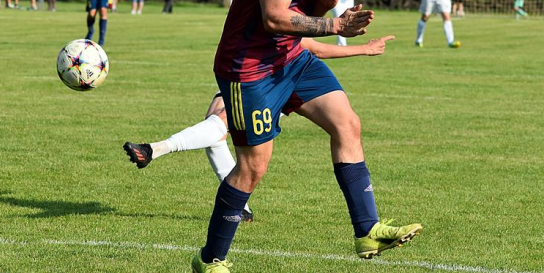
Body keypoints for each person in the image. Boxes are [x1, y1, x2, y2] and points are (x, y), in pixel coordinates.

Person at [186, 0, 422, 273]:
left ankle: (367, 230)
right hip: (249, 68)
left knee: (347, 123)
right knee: (253, 166)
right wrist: (334, 25)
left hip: (291, 58)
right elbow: (275, 17)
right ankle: (211, 259)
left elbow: (303, 8)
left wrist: (323, 3)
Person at [123, 35, 396, 223]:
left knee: (222, 122)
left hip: (271, 83)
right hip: (247, 78)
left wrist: (364, 48)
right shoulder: (258, 2)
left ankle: (154, 149)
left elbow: (310, 46)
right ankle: (241, 209)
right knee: (215, 127)